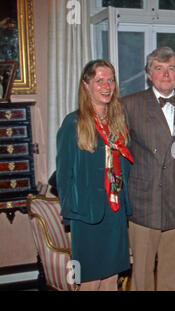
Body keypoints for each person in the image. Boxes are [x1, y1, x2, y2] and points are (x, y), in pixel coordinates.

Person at [122, 46, 175, 291]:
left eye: (171, 69)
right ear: (148, 73)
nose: (166, 75)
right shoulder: (129, 105)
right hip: (144, 203)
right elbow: (121, 156)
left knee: (173, 274)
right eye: (159, 69)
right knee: (142, 276)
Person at [56, 59, 133, 291]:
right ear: (86, 85)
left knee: (111, 279)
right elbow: (64, 176)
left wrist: (126, 207)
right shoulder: (73, 123)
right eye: (99, 80)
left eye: (110, 80)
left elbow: (126, 170)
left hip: (115, 213)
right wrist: (72, 217)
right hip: (86, 215)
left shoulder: (118, 122)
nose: (106, 86)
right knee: (90, 281)